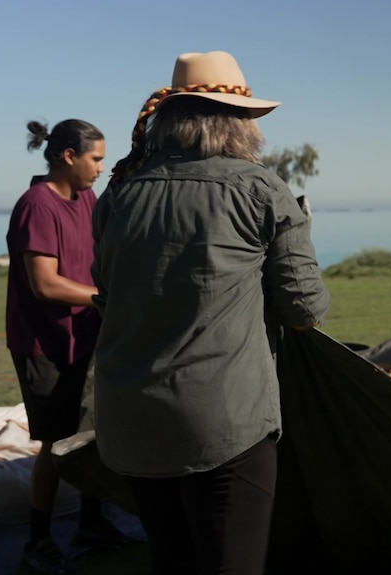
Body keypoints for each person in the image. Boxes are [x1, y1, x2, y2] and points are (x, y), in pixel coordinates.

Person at [90, 51, 331, 575]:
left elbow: (108, 291)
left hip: (129, 417)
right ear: (237, 123)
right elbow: (305, 310)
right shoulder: (259, 189)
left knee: (172, 561)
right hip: (223, 422)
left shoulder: (119, 191)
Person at [6, 119, 129, 575]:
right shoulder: (37, 205)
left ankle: (91, 524)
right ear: (68, 156)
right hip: (45, 345)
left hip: (86, 337)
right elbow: (44, 284)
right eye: (95, 158)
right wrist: (105, 298)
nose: (101, 167)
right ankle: (37, 542)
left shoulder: (87, 200)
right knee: (56, 442)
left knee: (92, 432)